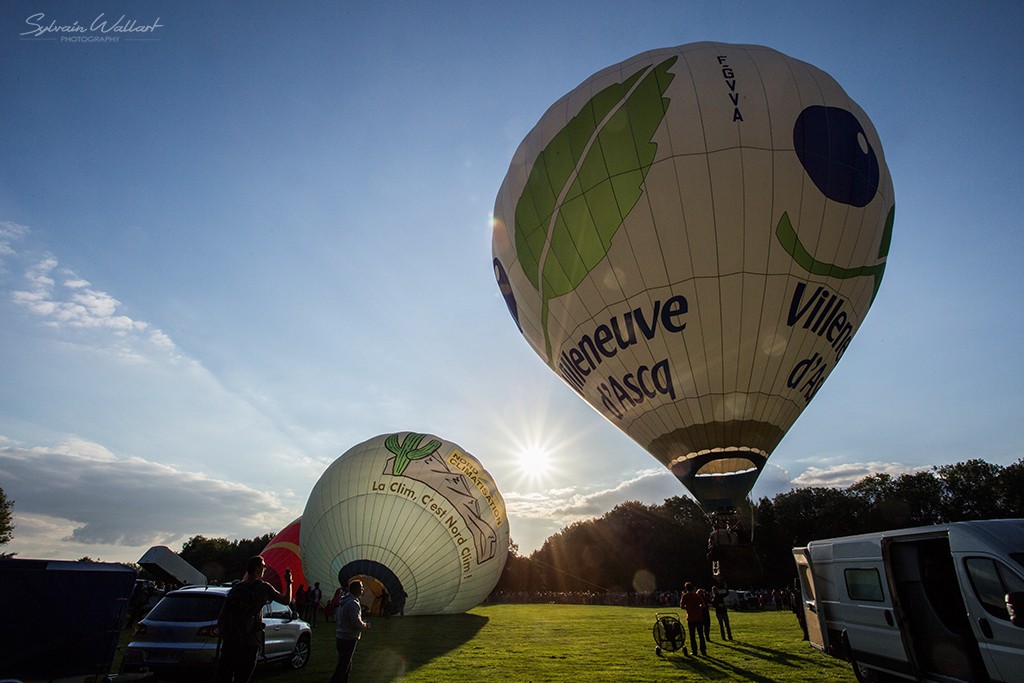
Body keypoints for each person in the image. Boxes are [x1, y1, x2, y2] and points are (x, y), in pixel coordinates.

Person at [216, 556, 293, 683]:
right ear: (257, 568)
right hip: (250, 641)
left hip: (231, 641)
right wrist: (289, 583)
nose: (265, 569)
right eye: (263, 566)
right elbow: (286, 600)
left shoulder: (236, 588)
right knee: (242, 678)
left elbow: (223, 614)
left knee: (225, 676)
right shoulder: (263, 587)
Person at [331, 579, 371, 683]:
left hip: (341, 636)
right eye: (361, 588)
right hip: (348, 638)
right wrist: (365, 625)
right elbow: (355, 622)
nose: (362, 590)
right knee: (343, 667)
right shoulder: (353, 603)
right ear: (357, 589)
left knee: (346, 666)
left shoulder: (344, 601)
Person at [680, 582, 707, 656]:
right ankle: (703, 650)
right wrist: (698, 608)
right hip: (699, 617)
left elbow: (682, 606)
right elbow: (703, 605)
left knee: (692, 636)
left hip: (691, 617)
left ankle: (694, 651)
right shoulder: (696, 595)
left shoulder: (685, 596)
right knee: (701, 635)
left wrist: (688, 607)